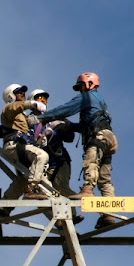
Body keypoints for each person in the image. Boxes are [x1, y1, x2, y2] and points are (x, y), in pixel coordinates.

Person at [38, 73, 118, 228]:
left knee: (91, 163)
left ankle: (88, 189)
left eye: (81, 86)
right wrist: (69, 126)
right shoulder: (100, 102)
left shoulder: (87, 97)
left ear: (88, 84)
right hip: (108, 138)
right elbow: (85, 125)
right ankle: (109, 214)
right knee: (104, 179)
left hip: (97, 137)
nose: (80, 90)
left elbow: (66, 109)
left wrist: (42, 118)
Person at [27, 89, 84, 225]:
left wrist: (64, 126)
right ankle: (58, 219)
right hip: (41, 163)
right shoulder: (28, 122)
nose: (43, 101)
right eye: (39, 99)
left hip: (59, 161)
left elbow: (70, 138)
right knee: (42, 193)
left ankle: (72, 214)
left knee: (61, 187)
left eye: (45, 99)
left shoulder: (52, 118)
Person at [0, 83, 49, 210]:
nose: (23, 94)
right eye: (19, 92)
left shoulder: (23, 117)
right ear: (11, 97)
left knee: (35, 181)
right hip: (14, 146)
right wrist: (32, 104)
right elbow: (14, 108)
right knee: (41, 156)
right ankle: (30, 189)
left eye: (24, 92)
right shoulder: (9, 109)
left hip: (23, 147)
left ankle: (3, 209)